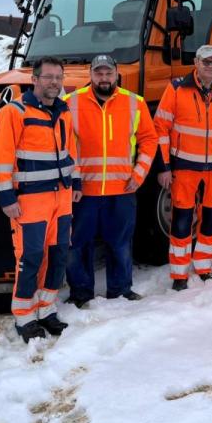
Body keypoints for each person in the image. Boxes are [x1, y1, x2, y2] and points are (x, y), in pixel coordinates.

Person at [0, 56, 82, 343]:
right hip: (30, 199)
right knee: (30, 257)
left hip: (61, 197)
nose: (54, 82)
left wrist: (76, 181)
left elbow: (71, 151)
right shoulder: (14, 112)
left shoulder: (64, 112)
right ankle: (24, 316)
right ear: (34, 80)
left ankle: (46, 309)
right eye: (48, 77)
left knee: (58, 255)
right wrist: (7, 197)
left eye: (58, 77)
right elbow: (2, 157)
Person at [63, 54, 158, 306]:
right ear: (90, 75)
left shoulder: (134, 103)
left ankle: (121, 291)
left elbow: (150, 140)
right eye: (98, 73)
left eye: (108, 73)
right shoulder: (70, 103)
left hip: (122, 188)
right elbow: (64, 144)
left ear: (117, 74)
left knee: (120, 244)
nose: (103, 78)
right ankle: (80, 294)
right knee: (78, 245)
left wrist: (139, 174)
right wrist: (74, 179)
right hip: (84, 191)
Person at [154, 44, 212, 291]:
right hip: (184, 168)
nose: (210, 66)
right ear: (196, 63)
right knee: (182, 221)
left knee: (211, 219)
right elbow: (160, 129)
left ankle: (204, 267)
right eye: (206, 62)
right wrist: (164, 166)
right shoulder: (176, 89)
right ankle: (179, 274)